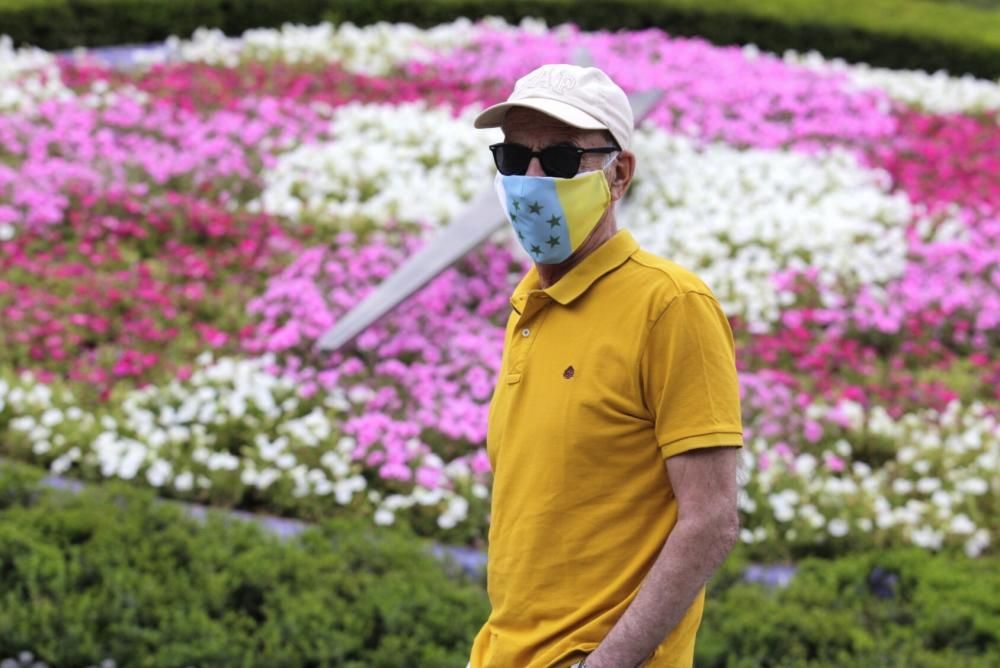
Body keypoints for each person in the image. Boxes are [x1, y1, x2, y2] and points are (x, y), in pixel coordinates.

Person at [466, 64, 745, 668]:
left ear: (618, 174)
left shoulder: (671, 306)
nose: (532, 179)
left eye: (563, 159)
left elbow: (712, 519)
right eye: (514, 158)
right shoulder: (528, 303)